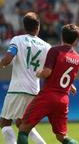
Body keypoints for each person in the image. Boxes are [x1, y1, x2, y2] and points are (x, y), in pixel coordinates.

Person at [17, 24, 79, 144]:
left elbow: (47, 72)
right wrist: (71, 85)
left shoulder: (55, 51)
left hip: (48, 96)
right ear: (76, 40)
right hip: (63, 99)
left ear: (61, 36)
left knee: (23, 127)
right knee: (61, 137)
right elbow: (66, 74)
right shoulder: (77, 58)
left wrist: (38, 73)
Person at [0, 12, 50, 144]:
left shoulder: (17, 40)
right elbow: (50, 70)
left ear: (24, 26)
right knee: (22, 123)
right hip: (34, 90)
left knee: (5, 122)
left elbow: (7, 60)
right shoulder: (46, 46)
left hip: (17, 88)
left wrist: (1, 64)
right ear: (38, 26)